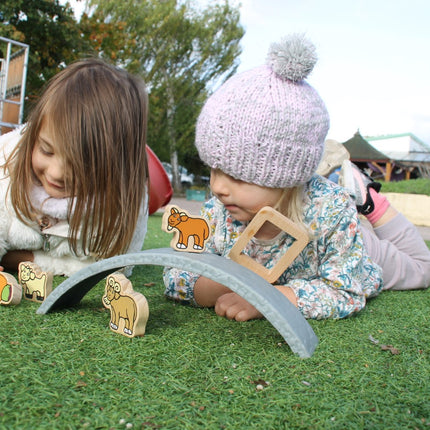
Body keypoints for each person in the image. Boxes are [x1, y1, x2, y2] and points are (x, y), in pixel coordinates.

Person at [163, 34, 430, 321]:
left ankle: (369, 199)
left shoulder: (331, 212)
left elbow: (345, 291)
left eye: (238, 176)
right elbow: (175, 277)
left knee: (422, 270)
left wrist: (273, 298)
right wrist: (225, 282)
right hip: (304, 207)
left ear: (286, 176)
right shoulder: (219, 212)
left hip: (355, 246)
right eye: (214, 169)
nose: (217, 187)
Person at [0, 58, 149, 276]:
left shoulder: (124, 205)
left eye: (79, 164)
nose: (56, 173)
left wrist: (28, 259)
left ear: (114, 168)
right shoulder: (6, 165)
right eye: (46, 150)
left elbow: (116, 265)